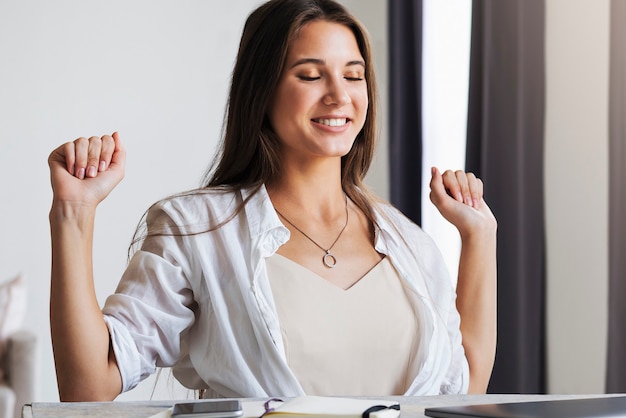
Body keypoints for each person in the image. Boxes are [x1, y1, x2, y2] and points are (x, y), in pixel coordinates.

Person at [48, 0, 497, 402]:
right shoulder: (197, 231)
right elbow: (90, 385)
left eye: (353, 75)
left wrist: (480, 236)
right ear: (262, 91)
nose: (339, 95)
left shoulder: (408, 244)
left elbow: (464, 387)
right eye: (310, 75)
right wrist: (73, 213)